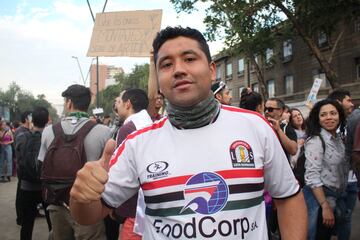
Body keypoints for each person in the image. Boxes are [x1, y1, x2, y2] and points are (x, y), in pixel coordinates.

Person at [69, 26, 307, 240]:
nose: (179, 70)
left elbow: (288, 197)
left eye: (190, 59)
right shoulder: (137, 143)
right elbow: (90, 214)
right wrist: (81, 197)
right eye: (166, 64)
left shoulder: (256, 127)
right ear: (159, 80)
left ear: (212, 70)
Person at [38, 84, 112, 240]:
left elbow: (41, 166)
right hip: (88, 206)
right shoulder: (104, 132)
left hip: (57, 203)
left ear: (69, 102)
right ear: (88, 103)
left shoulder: (48, 131)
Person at [304, 99, 348, 240]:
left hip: (337, 197)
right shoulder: (316, 141)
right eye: (323, 115)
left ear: (340, 116)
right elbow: (311, 177)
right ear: (318, 118)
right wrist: (325, 206)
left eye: (333, 113)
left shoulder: (339, 139)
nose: (329, 117)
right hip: (321, 200)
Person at [113, 88, 153, 239]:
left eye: (119, 101)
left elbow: (122, 174)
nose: (117, 105)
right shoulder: (152, 123)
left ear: (128, 104)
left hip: (135, 211)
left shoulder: (128, 129)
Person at [16, 107, 52, 240]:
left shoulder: (21, 137)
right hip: (46, 188)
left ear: (32, 120)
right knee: (52, 225)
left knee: (26, 225)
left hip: (26, 187)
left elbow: (18, 159)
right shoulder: (51, 138)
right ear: (48, 119)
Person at [327, 89, 356, 240]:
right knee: (331, 217)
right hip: (332, 183)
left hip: (352, 180)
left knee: (346, 216)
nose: (352, 103)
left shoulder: (353, 123)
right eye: (348, 100)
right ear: (339, 103)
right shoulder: (327, 127)